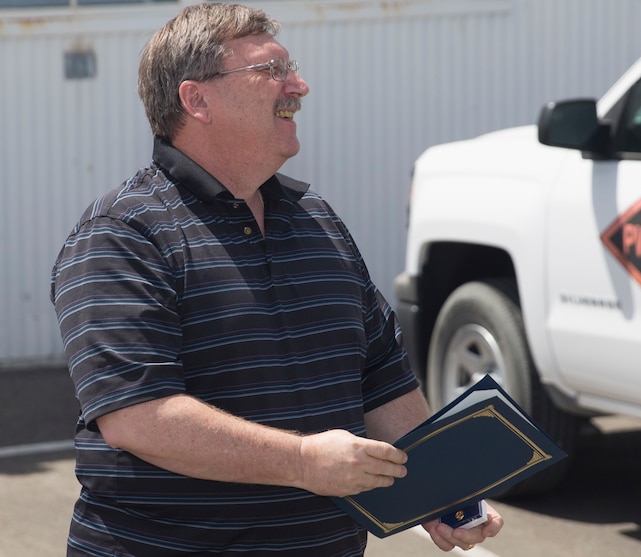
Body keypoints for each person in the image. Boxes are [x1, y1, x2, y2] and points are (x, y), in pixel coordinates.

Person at [50, 2, 503, 556]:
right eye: (271, 71)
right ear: (197, 100)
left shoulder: (315, 217)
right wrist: (304, 462)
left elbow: (381, 375)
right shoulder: (121, 234)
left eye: (292, 67)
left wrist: (441, 493)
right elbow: (138, 416)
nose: (299, 86)